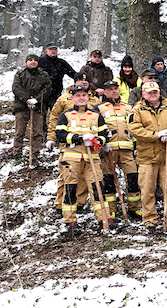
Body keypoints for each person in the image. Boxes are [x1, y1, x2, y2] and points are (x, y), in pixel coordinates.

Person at [55, 85, 111, 233]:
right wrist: (79, 138)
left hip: (92, 158)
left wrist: (97, 140)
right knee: (71, 189)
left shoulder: (96, 115)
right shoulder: (66, 115)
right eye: (78, 95)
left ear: (88, 97)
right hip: (72, 159)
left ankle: (103, 219)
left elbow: (105, 134)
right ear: (73, 98)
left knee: (98, 188)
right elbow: (59, 135)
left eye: (83, 95)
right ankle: (70, 222)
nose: (81, 98)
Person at [129, 82, 167, 230]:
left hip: (166, 156)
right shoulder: (137, 110)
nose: (153, 95)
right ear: (143, 94)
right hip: (146, 157)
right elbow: (135, 130)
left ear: (159, 92)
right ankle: (150, 220)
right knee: (147, 190)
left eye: (155, 92)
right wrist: (156, 135)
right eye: (149, 92)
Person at [48, 72, 101, 214]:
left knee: (85, 178)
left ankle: (79, 203)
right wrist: (51, 138)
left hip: (89, 148)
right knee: (66, 177)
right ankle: (60, 205)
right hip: (69, 147)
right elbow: (54, 119)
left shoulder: (94, 100)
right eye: (79, 80)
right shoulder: (64, 99)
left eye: (85, 81)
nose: (83, 83)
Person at [97, 80, 141, 220]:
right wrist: (102, 143)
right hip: (108, 149)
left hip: (127, 149)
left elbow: (134, 127)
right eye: (110, 89)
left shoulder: (128, 108)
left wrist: (135, 146)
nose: (114, 91)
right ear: (105, 92)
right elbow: (96, 127)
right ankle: (112, 209)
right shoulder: (100, 108)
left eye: (116, 88)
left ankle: (134, 208)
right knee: (108, 180)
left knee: (133, 177)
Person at [12, 54, 51, 158]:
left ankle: (34, 154)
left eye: (35, 60)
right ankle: (17, 152)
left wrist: (37, 100)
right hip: (21, 106)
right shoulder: (20, 74)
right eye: (30, 60)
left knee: (37, 132)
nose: (33, 62)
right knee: (19, 131)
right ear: (26, 62)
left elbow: (47, 88)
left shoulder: (43, 75)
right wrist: (27, 99)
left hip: (38, 107)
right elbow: (16, 88)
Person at [38, 42, 76, 124]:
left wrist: (81, 80)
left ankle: (55, 133)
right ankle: (42, 135)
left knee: (56, 116)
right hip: (41, 94)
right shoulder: (40, 62)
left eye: (55, 49)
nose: (53, 51)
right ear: (46, 51)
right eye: (50, 49)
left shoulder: (61, 63)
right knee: (41, 117)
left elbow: (73, 74)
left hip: (56, 94)